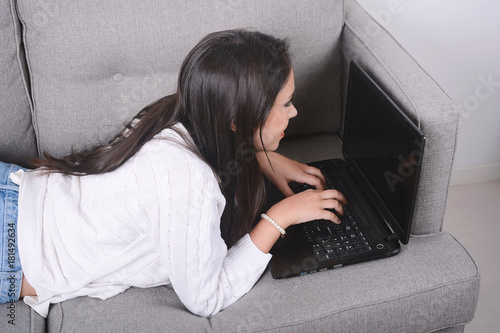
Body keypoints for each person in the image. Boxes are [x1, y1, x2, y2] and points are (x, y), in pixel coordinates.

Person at [0, 29, 346, 318]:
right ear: (237, 119)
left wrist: (260, 156)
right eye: (285, 104)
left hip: (15, 193)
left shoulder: (177, 112)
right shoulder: (188, 184)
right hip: (11, 246)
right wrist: (279, 217)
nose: (295, 111)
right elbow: (206, 299)